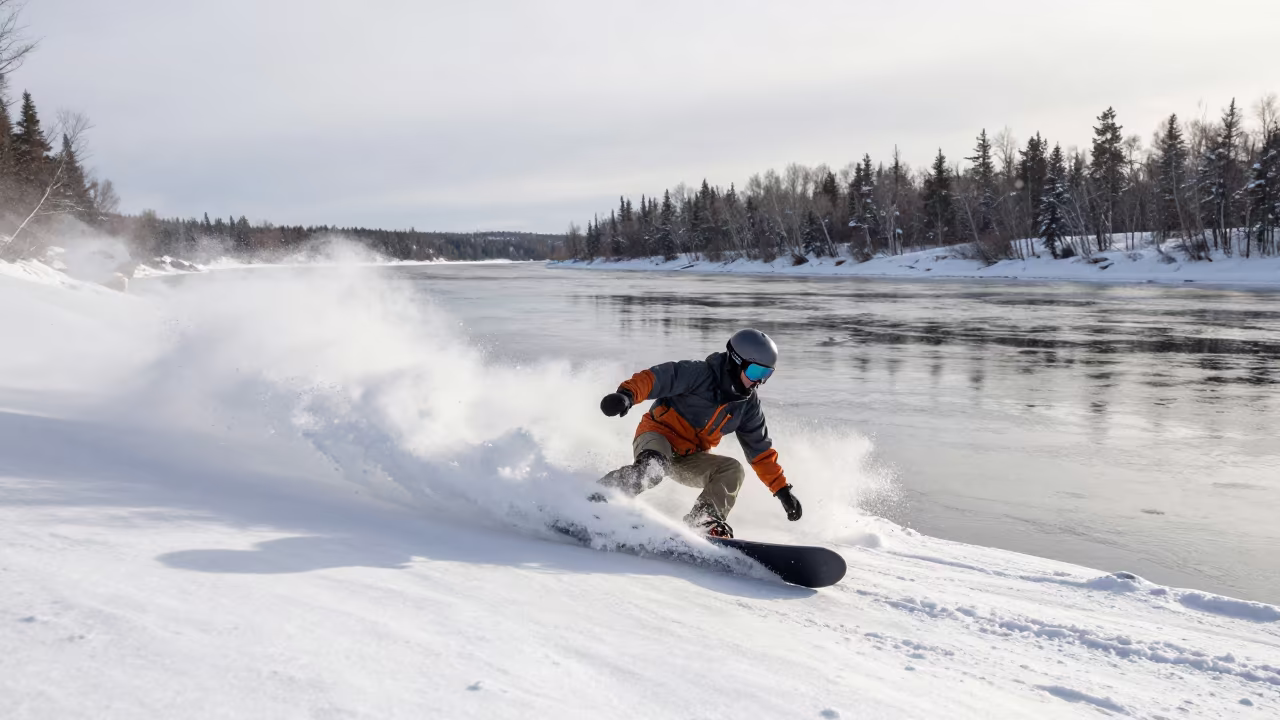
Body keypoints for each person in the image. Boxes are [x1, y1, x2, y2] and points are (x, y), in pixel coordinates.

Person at [596, 328, 802, 538]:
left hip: (690, 456)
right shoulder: (698, 374)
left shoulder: (747, 405)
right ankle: (601, 497)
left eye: (766, 375)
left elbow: (760, 452)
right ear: (736, 361)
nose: (759, 381)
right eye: (756, 373)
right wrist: (626, 396)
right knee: (653, 469)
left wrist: (782, 491)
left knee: (732, 470)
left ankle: (703, 520)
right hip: (658, 436)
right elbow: (655, 379)